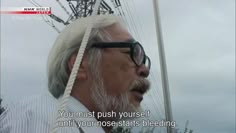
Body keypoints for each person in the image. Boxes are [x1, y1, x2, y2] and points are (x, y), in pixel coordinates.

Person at [0, 15, 151, 133]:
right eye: (133, 52)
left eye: (143, 59)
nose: (144, 69)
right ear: (80, 65)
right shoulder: (45, 118)